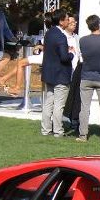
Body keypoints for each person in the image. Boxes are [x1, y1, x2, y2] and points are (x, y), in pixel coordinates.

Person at [76, 15, 100, 142]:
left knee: (84, 107)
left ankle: (82, 136)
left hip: (86, 77)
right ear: (99, 25)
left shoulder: (83, 41)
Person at [40, 9, 74, 137]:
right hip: (60, 74)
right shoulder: (61, 36)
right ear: (61, 21)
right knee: (59, 104)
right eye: (66, 19)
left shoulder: (49, 33)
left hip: (49, 74)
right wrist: (71, 54)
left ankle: (45, 129)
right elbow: (64, 57)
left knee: (49, 102)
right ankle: (58, 130)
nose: (68, 21)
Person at [62, 15, 83, 132]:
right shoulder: (62, 36)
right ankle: (63, 120)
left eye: (75, 22)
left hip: (76, 70)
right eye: (71, 22)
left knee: (75, 97)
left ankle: (74, 120)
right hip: (65, 71)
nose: (74, 24)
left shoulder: (77, 38)